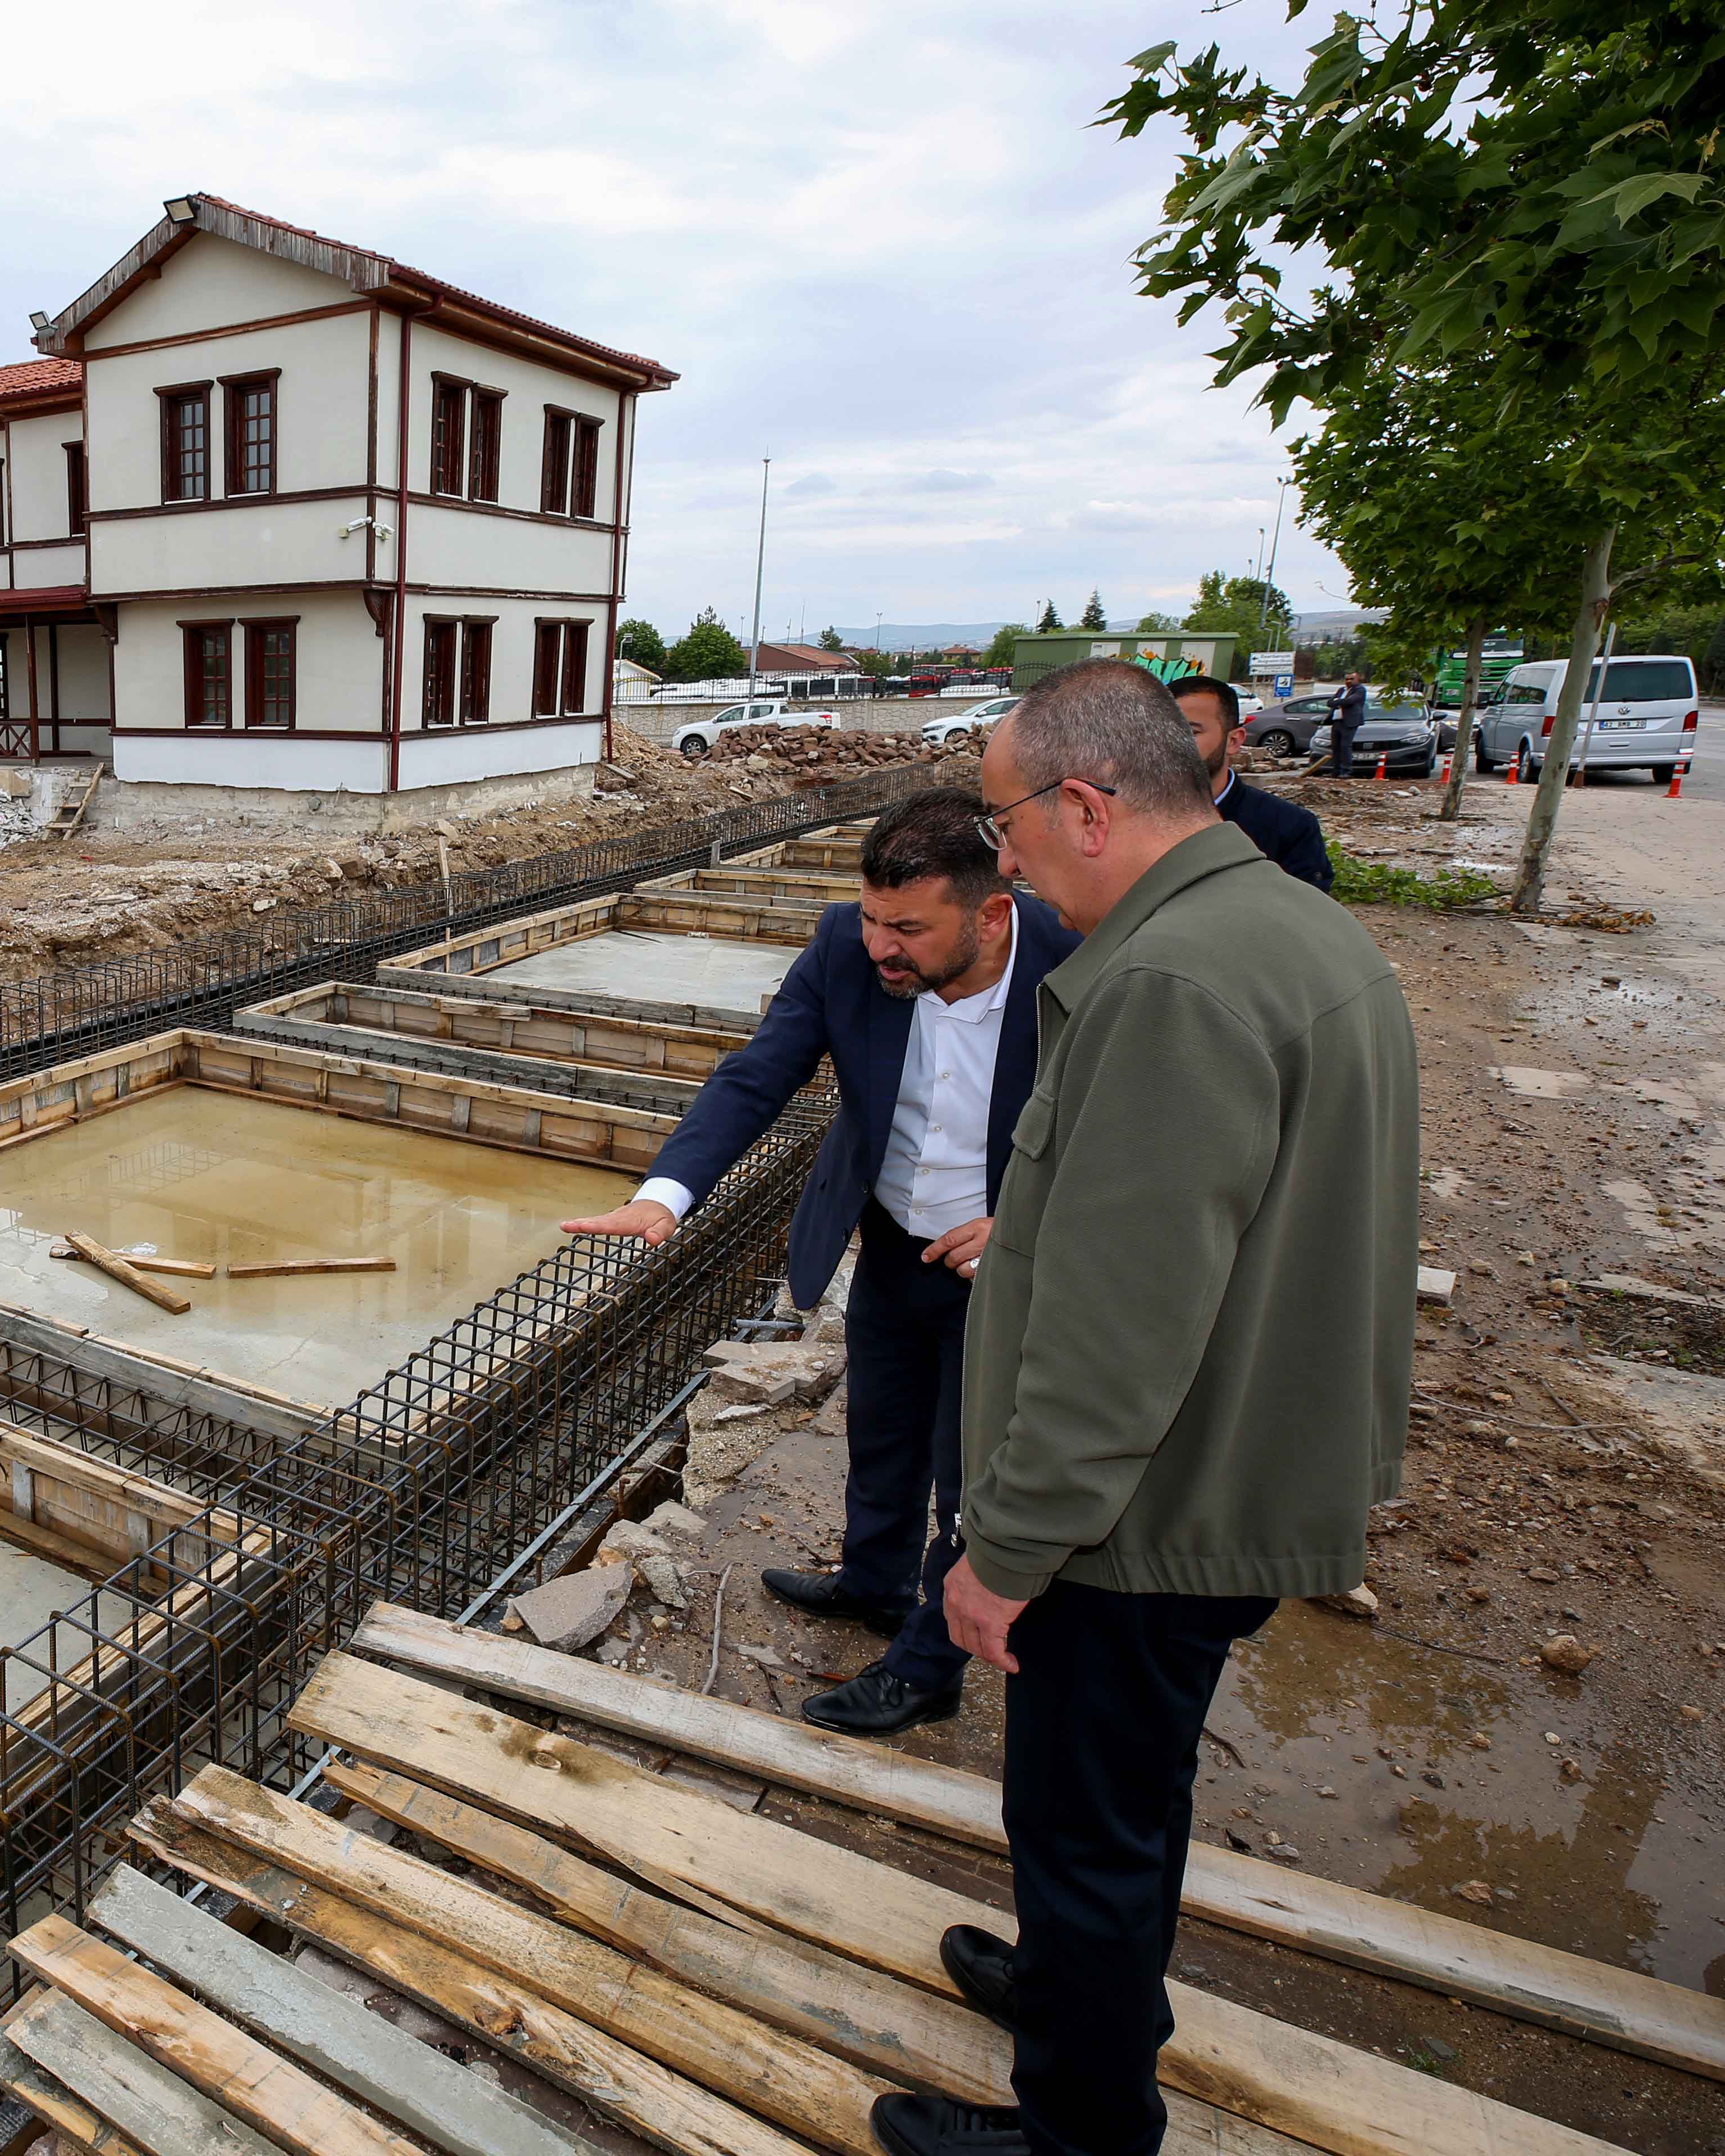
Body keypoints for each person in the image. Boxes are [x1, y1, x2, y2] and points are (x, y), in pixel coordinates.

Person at [869, 659, 1417, 2156]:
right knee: (1126, 1793)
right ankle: (1066, 1984)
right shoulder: (1284, 928)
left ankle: (1080, 2127)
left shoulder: (1169, 983)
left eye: (1008, 825)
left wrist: (1006, 1550)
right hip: (1237, 1470)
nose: (1007, 865)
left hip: (1147, 1516)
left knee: (1085, 1824)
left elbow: (1121, 1328)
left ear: (1088, 806)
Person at [562, 788, 1078, 1737]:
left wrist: (1026, 1223)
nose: (881, 946)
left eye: (910, 928)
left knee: (972, 1473)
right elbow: (761, 1071)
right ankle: (874, 1584)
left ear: (992, 912)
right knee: (883, 1432)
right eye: (874, 918)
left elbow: (1133, 1133)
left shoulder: (1080, 965)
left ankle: (930, 1662)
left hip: (1006, 1269)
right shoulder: (847, 945)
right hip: (891, 1238)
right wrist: (664, 1193)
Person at [1169, 674, 1331, 892]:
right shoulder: (1121, 816)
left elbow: (1304, 919)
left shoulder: (1289, 829)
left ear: (1234, 740)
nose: (1170, 744)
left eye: (1191, 732)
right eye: (1162, 732)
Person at [1323, 669, 1370, 777]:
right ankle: (1336, 771)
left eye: (1351, 679)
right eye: (1347, 679)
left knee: (1345, 746)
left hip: (1349, 722)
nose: (1349, 681)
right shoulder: (1341, 690)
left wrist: (1338, 702)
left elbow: (1350, 701)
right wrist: (1338, 702)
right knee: (1336, 747)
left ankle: (1346, 771)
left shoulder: (1360, 690)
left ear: (1357, 679)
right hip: (1337, 721)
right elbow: (1329, 703)